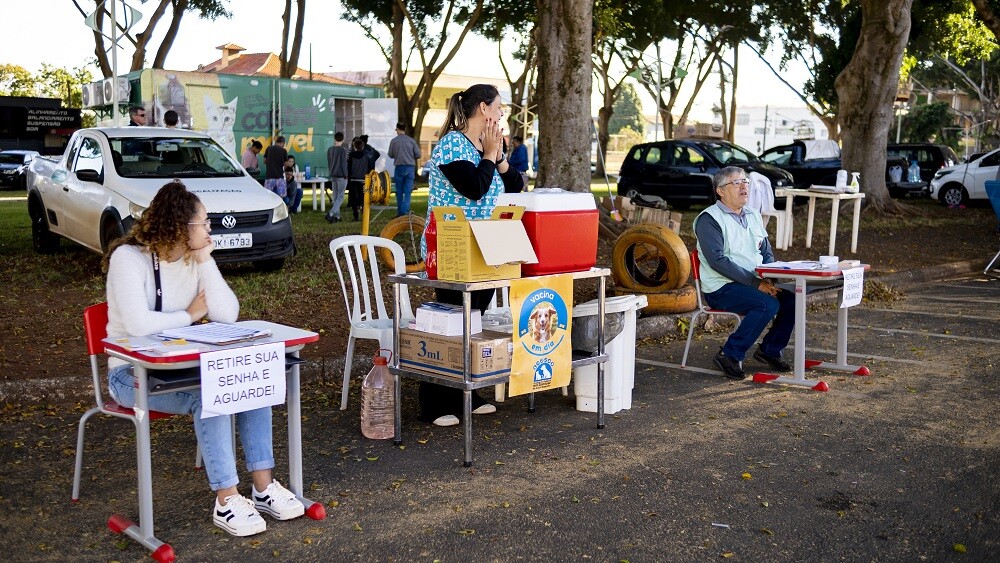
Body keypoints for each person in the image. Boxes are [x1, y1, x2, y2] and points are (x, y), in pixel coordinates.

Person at [102, 181, 304, 537]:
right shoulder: (128, 259)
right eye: (204, 223)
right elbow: (136, 325)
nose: (211, 228)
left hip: (185, 369)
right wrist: (190, 315)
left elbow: (228, 313)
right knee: (210, 395)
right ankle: (226, 500)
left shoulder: (194, 259)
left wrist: (206, 260)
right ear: (181, 226)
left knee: (249, 381)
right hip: (130, 375)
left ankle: (262, 488)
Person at [419, 83, 524, 426]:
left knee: (474, 323)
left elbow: (515, 186)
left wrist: (498, 156)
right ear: (483, 108)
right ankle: (435, 402)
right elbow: (474, 188)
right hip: (451, 245)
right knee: (451, 321)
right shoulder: (452, 143)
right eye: (499, 107)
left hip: (485, 246)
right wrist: (490, 156)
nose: (502, 113)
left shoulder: (486, 145)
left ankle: (467, 391)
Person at [693, 166, 795, 380]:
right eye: (736, 183)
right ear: (720, 191)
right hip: (721, 287)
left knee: (793, 299)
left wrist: (769, 276)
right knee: (767, 304)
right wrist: (756, 284)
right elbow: (717, 261)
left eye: (746, 182)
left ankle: (769, 350)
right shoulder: (709, 219)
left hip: (754, 282)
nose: (744, 187)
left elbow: (765, 249)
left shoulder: (753, 214)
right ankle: (729, 354)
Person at [387, 122, 421, 216]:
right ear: (404, 129)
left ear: (397, 129)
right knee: (407, 191)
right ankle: (405, 211)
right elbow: (418, 154)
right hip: (410, 168)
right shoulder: (411, 141)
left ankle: (400, 212)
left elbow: (390, 155)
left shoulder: (394, 141)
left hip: (399, 167)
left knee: (399, 191)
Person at [346, 137, 373, 221]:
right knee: (363, 198)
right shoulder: (366, 156)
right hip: (363, 180)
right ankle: (364, 215)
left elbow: (349, 168)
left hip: (353, 180)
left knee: (354, 199)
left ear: (354, 146)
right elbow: (369, 168)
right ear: (362, 146)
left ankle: (355, 216)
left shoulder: (351, 156)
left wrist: (349, 178)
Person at [325, 132, 349, 222]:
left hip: (333, 174)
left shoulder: (330, 149)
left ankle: (337, 216)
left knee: (335, 196)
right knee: (340, 197)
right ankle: (331, 213)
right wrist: (345, 175)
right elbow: (343, 164)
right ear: (343, 139)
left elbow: (329, 163)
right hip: (341, 175)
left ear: (334, 139)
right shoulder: (343, 150)